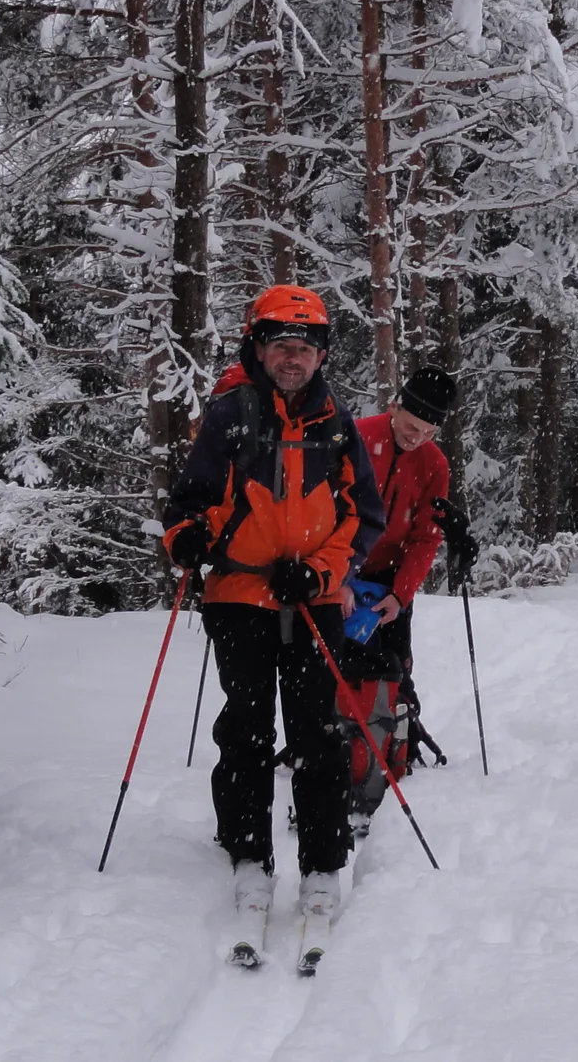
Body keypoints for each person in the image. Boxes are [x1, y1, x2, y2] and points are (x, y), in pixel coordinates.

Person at [160, 284, 386, 932]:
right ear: (258, 349)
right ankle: (248, 856)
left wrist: (319, 571)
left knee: (318, 734)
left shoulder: (338, 427)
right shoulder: (229, 417)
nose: (292, 358)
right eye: (281, 346)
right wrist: (191, 538)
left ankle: (322, 864)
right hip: (240, 599)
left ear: (321, 357)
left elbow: (363, 519)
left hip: (313, 602)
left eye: (304, 348)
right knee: (247, 732)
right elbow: (185, 507)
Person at [339, 367, 457, 818]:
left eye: (427, 432)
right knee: (332, 664)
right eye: (410, 427)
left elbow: (426, 536)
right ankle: (329, 742)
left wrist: (401, 595)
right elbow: (333, 513)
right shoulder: (356, 438)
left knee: (395, 666)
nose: (415, 438)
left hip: (389, 578)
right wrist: (341, 580)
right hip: (341, 571)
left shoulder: (435, 465)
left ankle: (395, 742)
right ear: (394, 407)